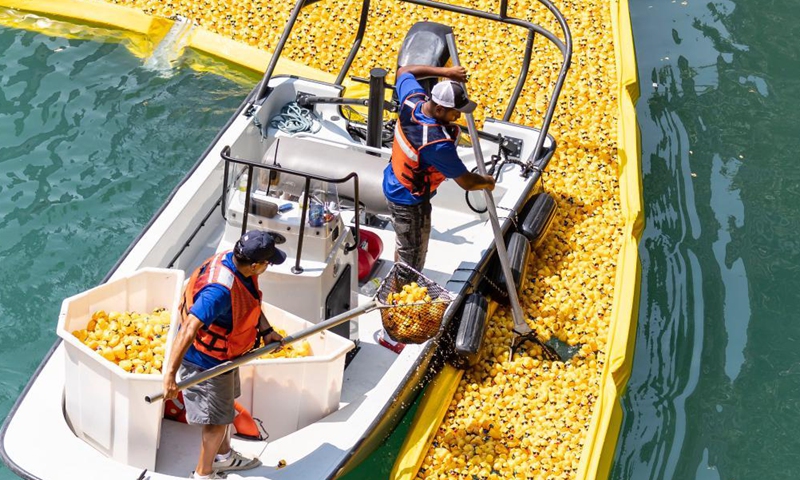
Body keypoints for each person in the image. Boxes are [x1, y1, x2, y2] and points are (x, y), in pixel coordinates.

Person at [379, 65, 495, 352]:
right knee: (412, 261)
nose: (460, 116)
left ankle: (398, 276)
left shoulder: (412, 101)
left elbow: (404, 70)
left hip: (394, 181)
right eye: (456, 112)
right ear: (441, 110)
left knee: (405, 249)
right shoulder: (436, 143)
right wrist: (488, 182)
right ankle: (392, 332)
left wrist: (445, 72)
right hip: (409, 201)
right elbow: (467, 182)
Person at [163, 231, 286, 479]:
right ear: (255, 265)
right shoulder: (218, 292)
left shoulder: (237, 265)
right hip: (205, 364)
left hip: (226, 357)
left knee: (223, 411)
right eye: (267, 263)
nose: (268, 266)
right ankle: (203, 474)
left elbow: (249, 303)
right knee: (217, 421)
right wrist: (170, 377)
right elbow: (188, 329)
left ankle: (224, 457)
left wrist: (267, 330)